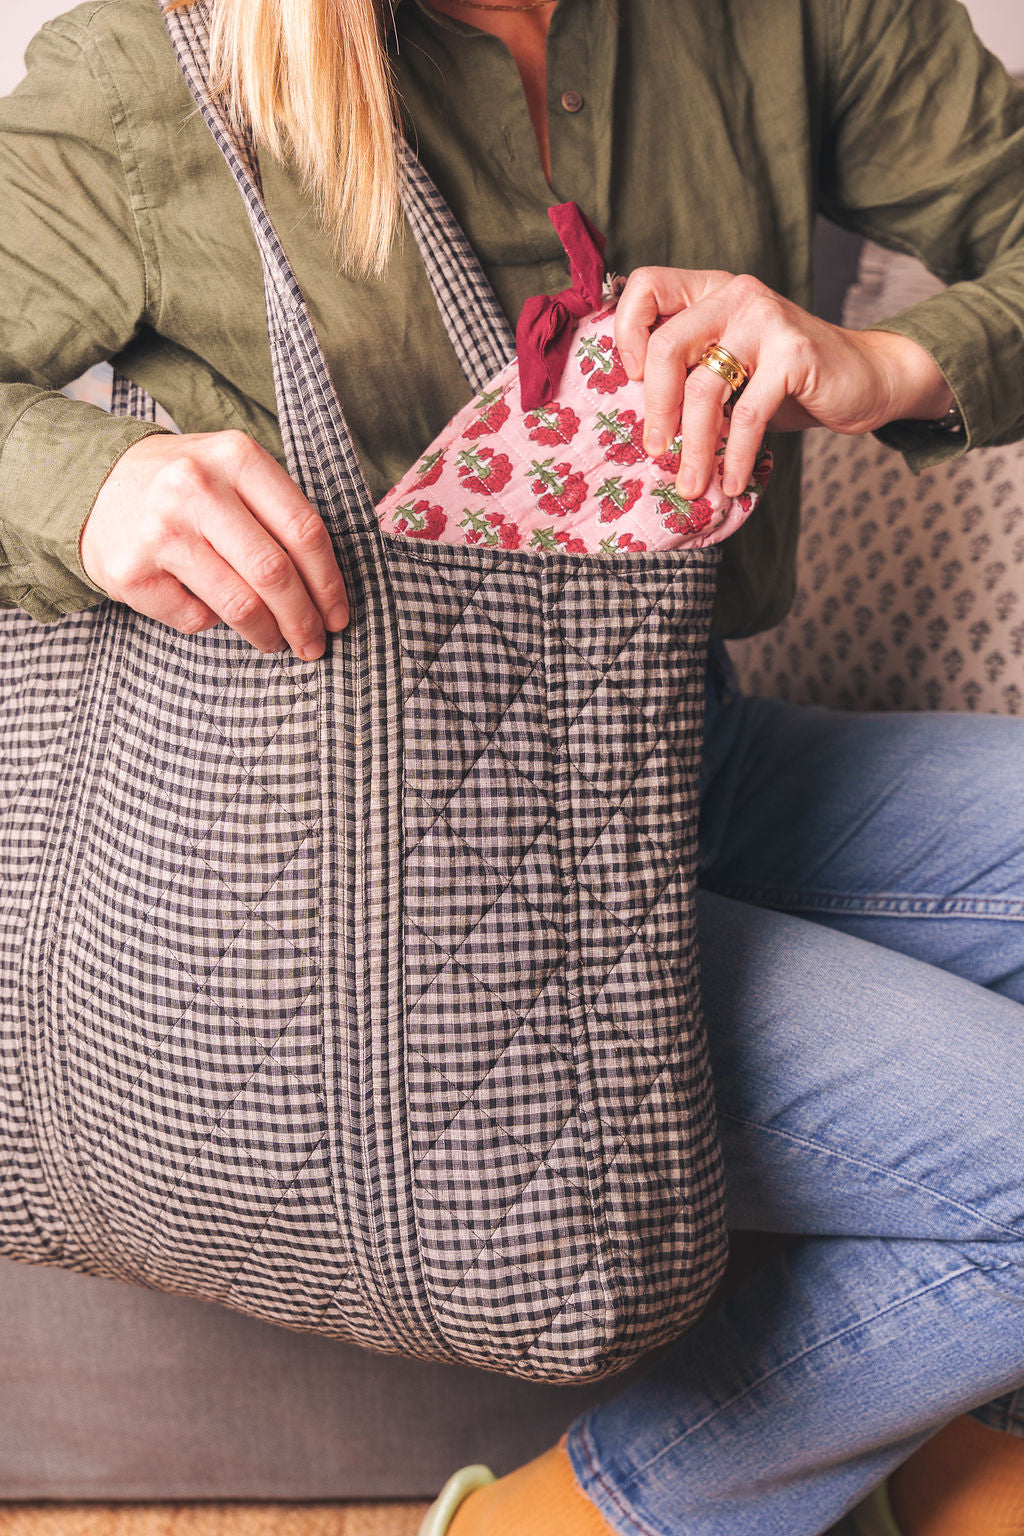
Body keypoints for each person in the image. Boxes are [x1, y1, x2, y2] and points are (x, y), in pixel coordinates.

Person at [2, 0, 1024, 1531]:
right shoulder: (164, 70)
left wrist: (885, 358)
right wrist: (93, 485)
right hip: (372, 876)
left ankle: (914, 1418)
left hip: (680, 743)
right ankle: (554, 1521)